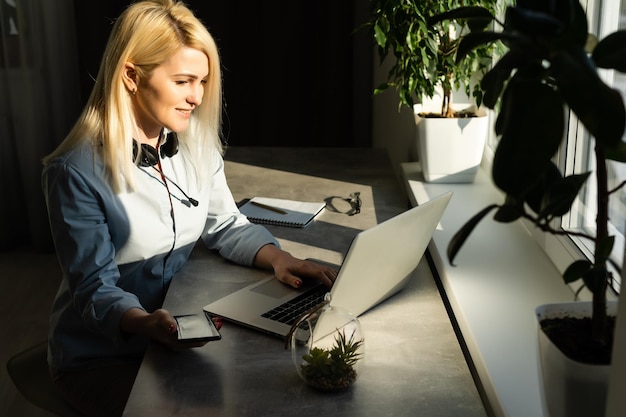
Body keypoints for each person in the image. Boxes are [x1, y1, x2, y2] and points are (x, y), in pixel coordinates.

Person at [41, 1, 337, 416]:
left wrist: (279, 258)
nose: (197, 96)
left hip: (177, 331)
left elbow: (225, 223)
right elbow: (94, 290)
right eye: (183, 81)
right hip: (103, 357)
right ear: (131, 75)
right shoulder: (74, 171)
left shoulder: (195, 142)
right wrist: (144, 323)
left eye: (202, 81)